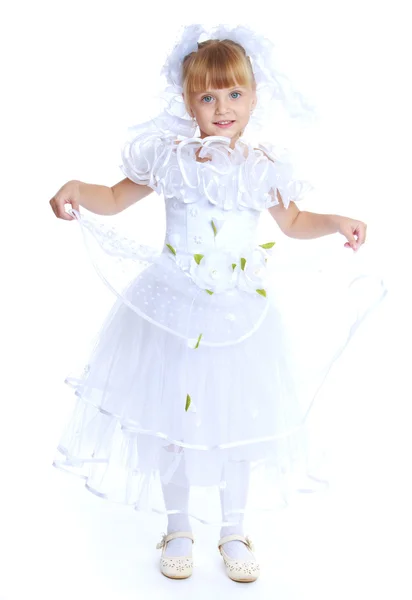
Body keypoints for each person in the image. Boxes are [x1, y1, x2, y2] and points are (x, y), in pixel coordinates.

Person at [49, 24, 387, 583]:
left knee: (237, 423)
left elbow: (294, 222)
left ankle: (233, 529)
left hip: (235, 313)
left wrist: (337, 223)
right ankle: (178, 526)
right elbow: (111, 198)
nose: (222, 107)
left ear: (254, 97)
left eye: (234, 94)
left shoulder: (262, 168)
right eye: (207, 96)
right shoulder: (169, 158)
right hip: (170, 309)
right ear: (188, 102)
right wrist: (74, 188)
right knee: (173, 423)